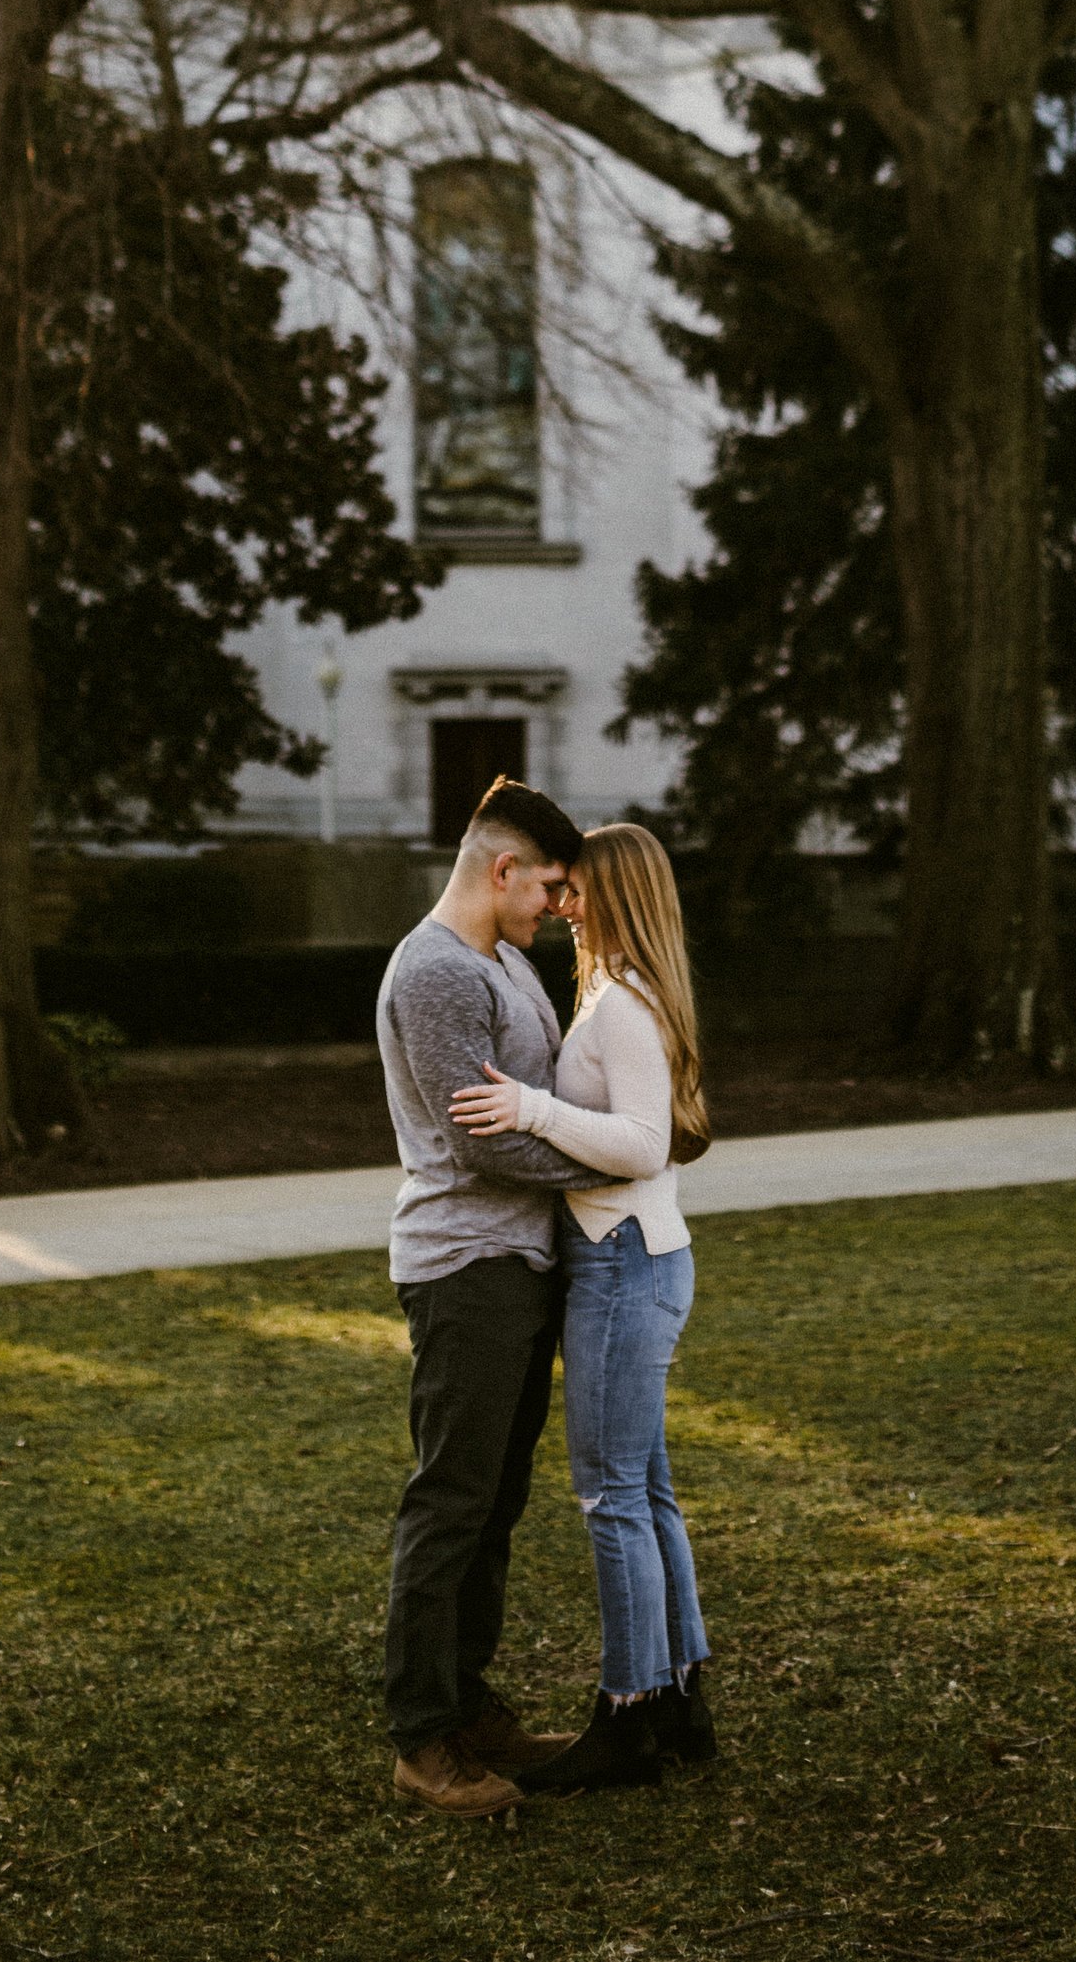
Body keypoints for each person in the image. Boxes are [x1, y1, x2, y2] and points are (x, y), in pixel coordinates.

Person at [450, 818, 717, 1798]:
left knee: (612, 1496)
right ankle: (679, 1700)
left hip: (621, 1263)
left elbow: (644, 1143)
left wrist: (528, 1110)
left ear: (618, 895)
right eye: (556, 891)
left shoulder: (624, 1006)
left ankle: (630, 1712)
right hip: (635, 1257)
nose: (560, 904)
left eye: (577, 891)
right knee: (644, 1492)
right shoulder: (620, 993)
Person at [374, 774, 599, 1820]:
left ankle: (468, 1704)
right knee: (450, 1501)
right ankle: (422, 1740)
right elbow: (485, 1136)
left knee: (495, 1503)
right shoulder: (434, 972)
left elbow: (537, 1105)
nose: (558, 906)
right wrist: (613, 1167)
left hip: (519, 1263)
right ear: (501, 867)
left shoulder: (502, 962)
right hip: (466, 1266)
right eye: (549, 885)